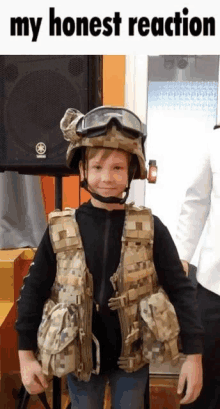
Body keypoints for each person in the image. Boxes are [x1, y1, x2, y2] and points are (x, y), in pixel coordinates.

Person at [16, 106, 203, 409]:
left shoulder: (152, 228)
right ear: (82, 171)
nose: (107, 177)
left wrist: (193, 356)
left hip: (132, 361)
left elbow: (182, 292)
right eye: (98, 167)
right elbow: (33, 293)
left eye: (117, 168)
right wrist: (25, 356)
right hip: (79, 361)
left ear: (132, 172)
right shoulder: (60, 228)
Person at [175, 127, 220, 409]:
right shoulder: (215, 140)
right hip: (214, 284)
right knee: (202, 385)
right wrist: (181, 257)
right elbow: (195, 203)